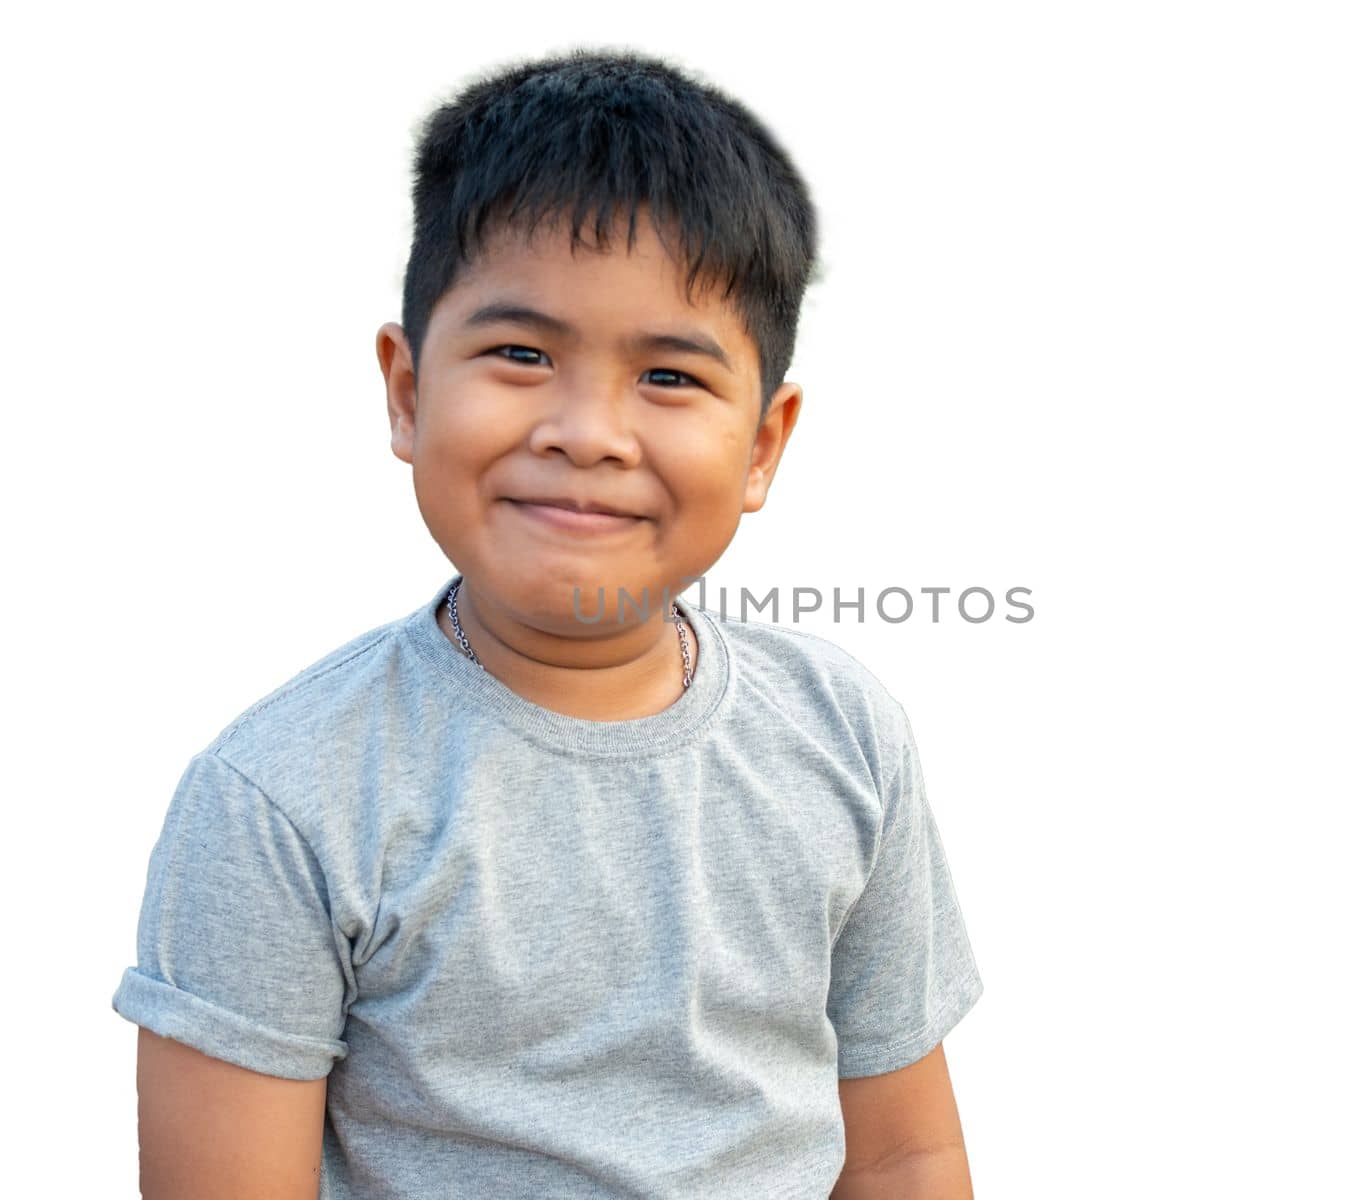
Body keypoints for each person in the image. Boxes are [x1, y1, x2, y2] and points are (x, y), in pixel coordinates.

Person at [112, 46, 983, 1200]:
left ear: (764, 444)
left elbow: (905, 1151)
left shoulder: (841, 732)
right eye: (522, 354)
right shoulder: (283, 797)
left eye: (669, 377)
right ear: (409, 392)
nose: (588, 432)